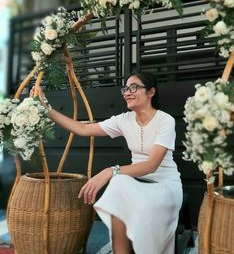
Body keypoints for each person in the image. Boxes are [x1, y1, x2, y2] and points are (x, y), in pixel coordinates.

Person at [33, 72, 183, 254]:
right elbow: (81, 128)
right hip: (136, 183)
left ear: (150, 92)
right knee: (119, 184)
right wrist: (46, 107)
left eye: (134, 87)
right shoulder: (124, 120)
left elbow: (151, 165)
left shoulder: (165, 120)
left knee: (118, 180)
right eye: (125, 89)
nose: (127, 92)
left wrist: (109, 171)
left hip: (164, 185)